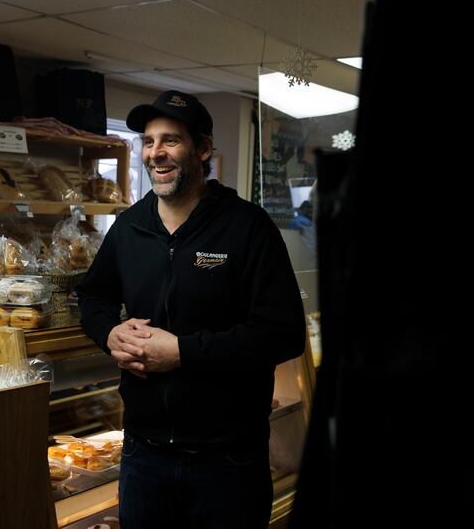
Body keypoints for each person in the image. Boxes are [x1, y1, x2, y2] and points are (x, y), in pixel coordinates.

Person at [77, 90, 305, 528]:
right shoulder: (129, 227)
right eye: (148, 141)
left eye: (171, 140)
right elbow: (93, 297)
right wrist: (108, 333)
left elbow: (283, 332)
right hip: (144, 456)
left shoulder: (247, 228)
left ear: (203, 150)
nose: (156, 153)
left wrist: (183, 351)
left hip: (228, 462)